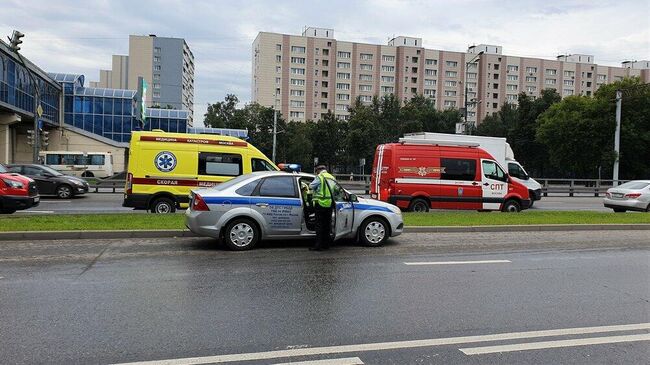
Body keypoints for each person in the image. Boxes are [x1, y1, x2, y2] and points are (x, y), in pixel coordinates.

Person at [309, 165, 335, 251]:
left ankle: (318, 246)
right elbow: (335, 190)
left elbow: (311, 186)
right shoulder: (331, 177)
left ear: (319, 170)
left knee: (319, 225)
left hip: (320, 203)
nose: (316, 173)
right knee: (327, 225)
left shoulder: (320, 177)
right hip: (329, 204)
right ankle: (326, 245)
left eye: (316, 171)